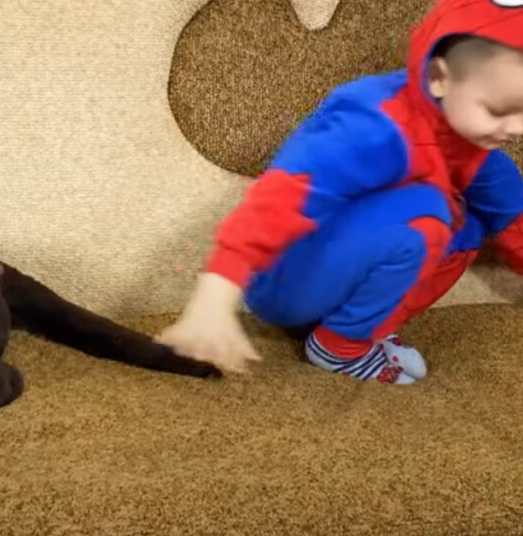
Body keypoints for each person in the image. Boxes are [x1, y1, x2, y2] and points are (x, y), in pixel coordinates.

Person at [156, 0, 523, 384]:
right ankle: (339, 347)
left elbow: (511, 209)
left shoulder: (470, 138)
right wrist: (215, 294)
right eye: (498, 110)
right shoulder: (373, 125)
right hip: (280, 280)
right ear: (439, 78)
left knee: (469, 227)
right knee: (428, 212)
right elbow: (279, 196)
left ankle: (366, 326)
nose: (515, 128)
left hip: (343, 266)